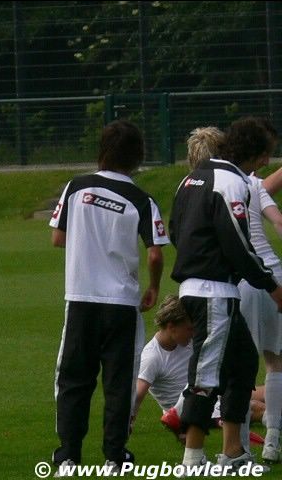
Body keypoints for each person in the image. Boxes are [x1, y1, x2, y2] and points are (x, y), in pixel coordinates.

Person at [49, 119, 169, 472]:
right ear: (137, 156)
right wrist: (153, 287)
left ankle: (68, 456)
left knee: (73, 379)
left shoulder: (76, 187)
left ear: (102, 150)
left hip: (81, 297)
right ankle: (114, 456)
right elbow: (155, 253)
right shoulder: (141, 199)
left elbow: (57, 238)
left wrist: (88, 245)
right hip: (121, 303)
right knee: (119, 382)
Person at [169, 116, 282, 472]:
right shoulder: (231, 182)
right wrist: (272, 286)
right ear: (254, 153)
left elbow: (175, 231)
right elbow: (239, 245)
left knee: (243, 363)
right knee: (205, 376)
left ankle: (234, 453)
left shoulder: (191, 178)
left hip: (204, 288)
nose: (266, 162)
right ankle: (192, 458)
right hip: (213, 291)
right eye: (265, 154)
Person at [132, 295, 266, 445]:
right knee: (256, 408)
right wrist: (128, 422)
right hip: (192, 407)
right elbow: (138, 394)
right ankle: (272, 432)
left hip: (211, 393)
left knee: (268, 392)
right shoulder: (152, 357)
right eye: (190, 329)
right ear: (171, 327)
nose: (193, 333)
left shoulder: (184, 341)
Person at [237, 119, 282, 463]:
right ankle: (273, 441)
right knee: (275, 361)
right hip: (273, 274)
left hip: (240, 276)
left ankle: (240, 447)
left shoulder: (213, 182)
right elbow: (278, 221)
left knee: (238, 366)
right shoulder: (254, 184)